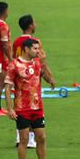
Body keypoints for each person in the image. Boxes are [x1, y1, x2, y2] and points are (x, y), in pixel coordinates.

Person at [4, 36, 56, 159]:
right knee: (24, 140)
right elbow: (7, 88)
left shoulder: (38, 64)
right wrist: (10, 109)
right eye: (35, 48)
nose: (37, 51)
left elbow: (50, 79)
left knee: (42, 137)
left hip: (37, 107)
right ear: (26, 49)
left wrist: (44, 62)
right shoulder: (15, 65)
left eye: (38, 48)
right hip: (22, 108)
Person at [15, 14, 57, 148]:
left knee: (20, 107)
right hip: (31, 78)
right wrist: (50, 78)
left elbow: (12, 59)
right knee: (32, 106)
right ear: (30, 26)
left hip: (18, 78)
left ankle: (19, 137)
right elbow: (40, 62)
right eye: (35, 23)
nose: (36, 25)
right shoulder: (35, 42)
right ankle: (31, 138)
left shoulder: (16, 42)